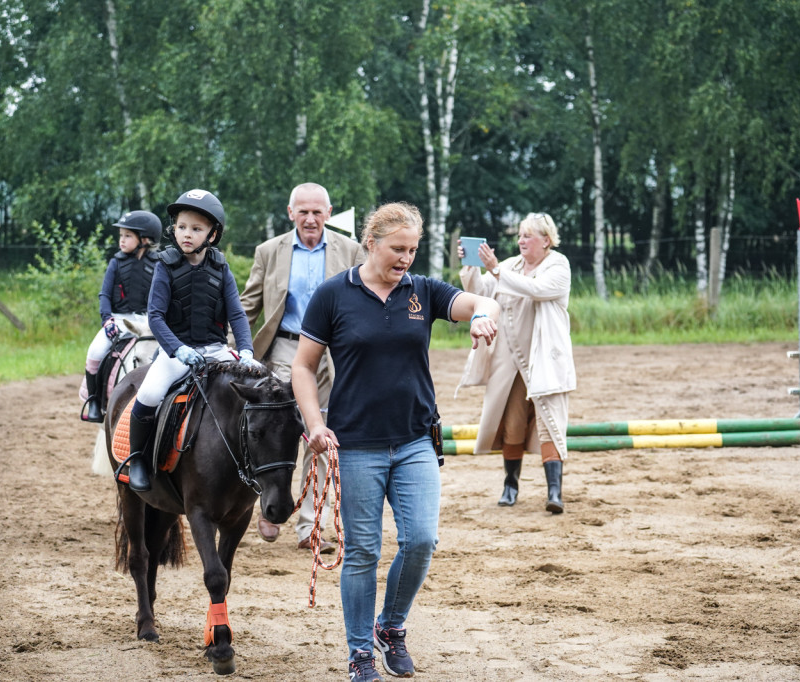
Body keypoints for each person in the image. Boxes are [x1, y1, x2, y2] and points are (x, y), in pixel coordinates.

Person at [292, 202, 500, 682]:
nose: (406, 258)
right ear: (371, 243)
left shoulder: (422, 291)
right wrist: (314, 423)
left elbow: (478, 302)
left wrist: (480, 316)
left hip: (414, 440)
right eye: (397, 249)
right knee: (363, 551)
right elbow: (302, 366)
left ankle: (391, 627)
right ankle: (360, 652)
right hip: (357, 443)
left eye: (412, 249)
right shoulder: (333, 295)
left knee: (422, 539)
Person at [238, 182, 363, 551]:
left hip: (330, 358)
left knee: (319, 438)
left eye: (317, 211)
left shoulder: (351, 250)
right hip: (283, 353)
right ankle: (269, 507)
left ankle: (310, 527)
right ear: (290, 213)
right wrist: (234, 349)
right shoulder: (269, 251)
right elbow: (249, 305)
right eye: (303, 211)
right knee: (272, 435)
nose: (310, 218)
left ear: (328, 213)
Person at [124, 189, 261, 493]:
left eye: (196, 229)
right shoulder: (165, 265)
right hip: (177, 354)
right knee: (149, 394)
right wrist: (178, 350)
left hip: (216, 351)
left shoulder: (221, 267)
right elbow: (156, 317)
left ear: (212, 235)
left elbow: (237, 314)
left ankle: (254, 461)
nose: (187, 234)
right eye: (182, 227)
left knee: (258, 388)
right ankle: (138, 461)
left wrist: (247, 351)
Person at [456, 212, 576, 513]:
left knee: (551, 424)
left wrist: (496, 270)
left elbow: (537, 290)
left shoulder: (558, 265)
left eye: (528, 235)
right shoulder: (509, 265)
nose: (521, 240)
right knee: (512, 425)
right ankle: (510, 486)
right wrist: (472, 266)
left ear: (546, 240)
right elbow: (480, 293)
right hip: (510, 361)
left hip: (546, 359)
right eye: (520, 235)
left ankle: (554, 492)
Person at [81, 210, 162, 423]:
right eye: (121, 235)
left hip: (149, 322)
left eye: (127, 235)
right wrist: (107, 320)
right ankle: (95, 402)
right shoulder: (116, 263)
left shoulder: (160, 265)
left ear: (144, 239)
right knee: (95, 351)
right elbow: (105, 294)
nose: (121, 240)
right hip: (118, 319)